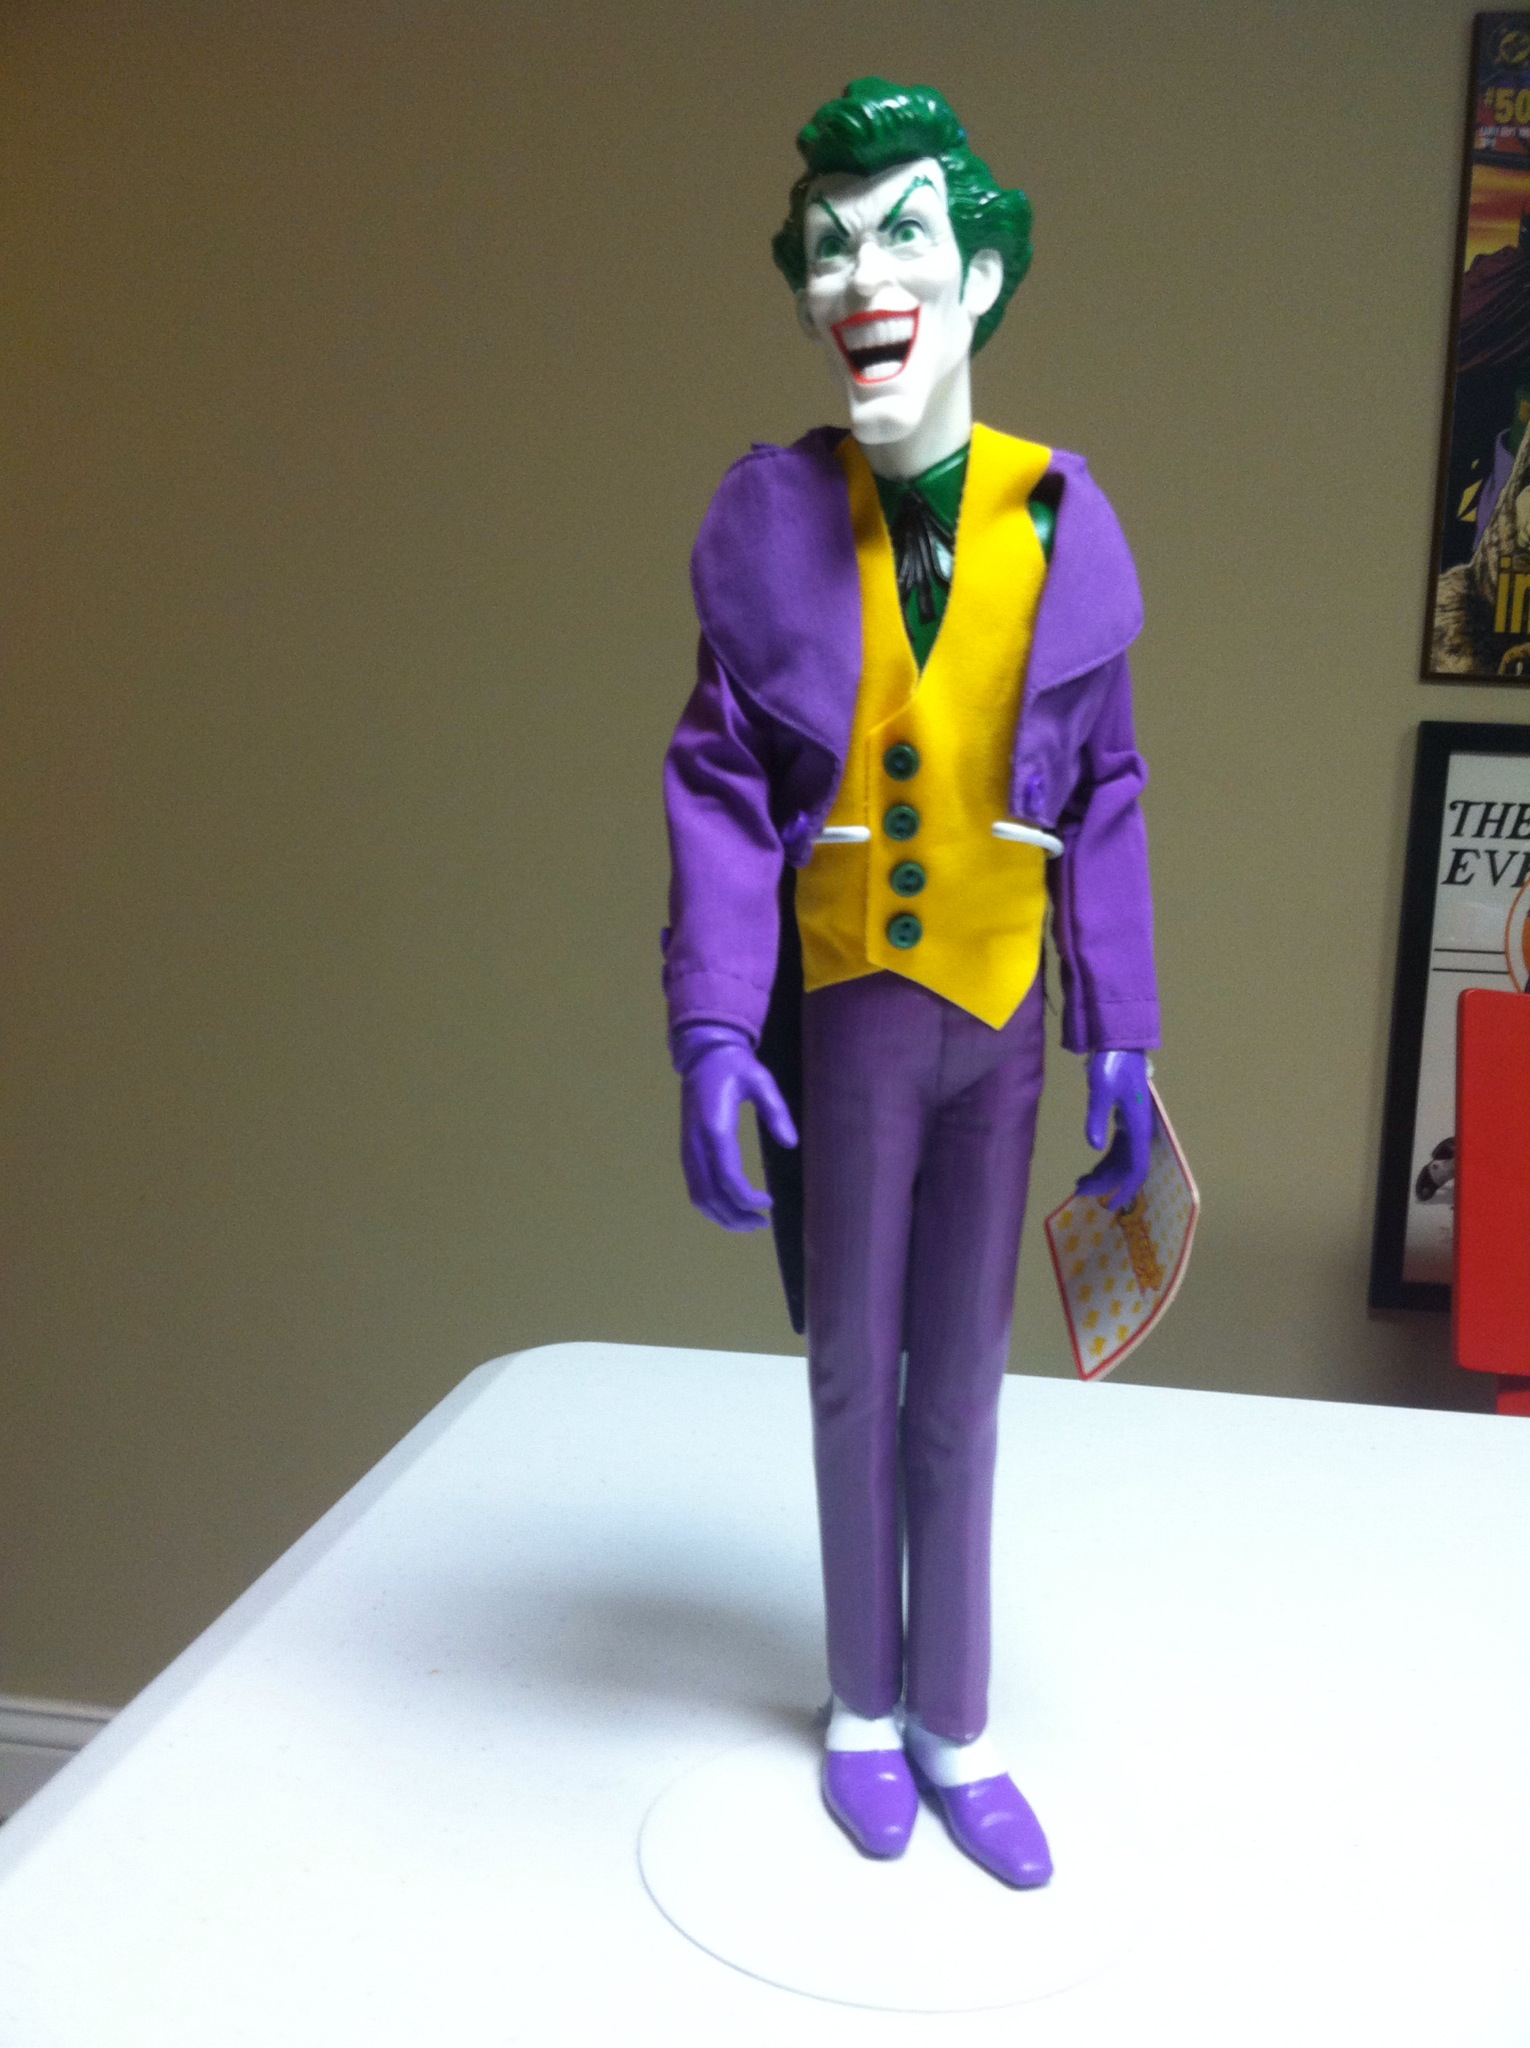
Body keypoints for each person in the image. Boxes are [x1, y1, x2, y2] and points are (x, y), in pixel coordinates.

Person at [662, 78, 1159, 1887]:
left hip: (1000, 1017)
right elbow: (719, 784)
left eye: (901, 237)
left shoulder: (1059, 518)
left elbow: (1107, 790)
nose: (858, 276)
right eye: (826, 246)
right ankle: (860, 1705)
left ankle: (954, 1713)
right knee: (847, 1374)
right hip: (851, 1009)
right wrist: (714, 1026)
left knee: (960, 1381)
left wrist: (1123, 1032)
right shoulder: (771, 520)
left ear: (982, 275)